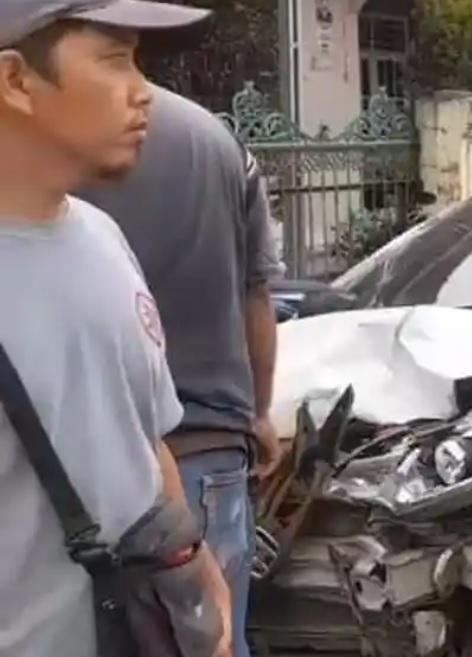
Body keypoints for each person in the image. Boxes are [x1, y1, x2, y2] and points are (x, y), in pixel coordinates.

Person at [0, 3, 234, 657]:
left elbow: (146, 442)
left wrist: (200, 580)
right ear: (15, 81)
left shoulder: (102, 238)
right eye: (114, 60)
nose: (143, 92)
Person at [78, 84, 284, 657]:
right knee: (215, 638)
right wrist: (259, 413)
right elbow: (256, 292)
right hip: (209, 454)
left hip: (101, 467)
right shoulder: (219, 142)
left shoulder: (55, 144)